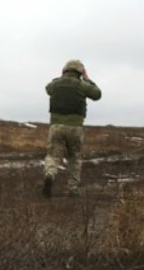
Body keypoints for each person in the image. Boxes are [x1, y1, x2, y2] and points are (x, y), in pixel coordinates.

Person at [42, 59, 102, 198]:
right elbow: (97, 94)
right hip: (75, 127)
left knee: (53, 155)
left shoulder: (55, 85)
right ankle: (72, 189)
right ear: (80, 72)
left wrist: (62, 77)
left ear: (65, 71)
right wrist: (88, 79)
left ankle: (50, 175)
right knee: (74, 157)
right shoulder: (82, 85)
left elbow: (47, 89)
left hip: (56, 126)